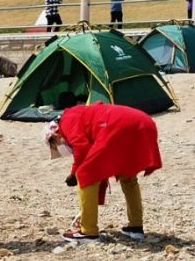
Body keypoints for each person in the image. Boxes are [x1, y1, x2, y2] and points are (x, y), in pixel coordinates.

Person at [44, 103, 162, 243]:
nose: (60, 145)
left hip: (118, 126)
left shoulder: (67, 122)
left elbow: (82, 149)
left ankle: (88, 232)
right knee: (127, 175)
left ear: (56, 134)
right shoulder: (77, 115)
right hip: (143, 122)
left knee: (86, 173)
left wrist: (74, 173)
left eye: (56, 143)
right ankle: (135, 227)